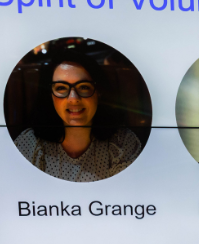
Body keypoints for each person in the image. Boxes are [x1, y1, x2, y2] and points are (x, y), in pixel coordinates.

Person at [13, 50, 141, 182]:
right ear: (50, 95)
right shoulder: (29, 144)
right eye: (61, 88)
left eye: (84, 87)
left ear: (99, 92)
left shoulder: (123, 144)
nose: (73, 99)